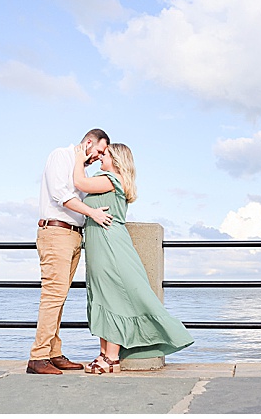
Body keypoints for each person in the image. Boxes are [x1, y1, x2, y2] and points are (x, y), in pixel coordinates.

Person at [73, 142, 194, 374]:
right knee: (101, 296)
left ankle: (112, 358)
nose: (100, 157)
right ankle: (104, 354)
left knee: (113, 297)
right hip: (100, 244)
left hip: (110, 244)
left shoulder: (111, 179)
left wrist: (80, 159)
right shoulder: (105, 179)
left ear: (116, 160)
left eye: (104, 154)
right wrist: (87, 164)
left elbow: (79, 182)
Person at [26, 129, 114, 375]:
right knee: (53, 295)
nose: (99, 156)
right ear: (88, 142)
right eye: (99, 151)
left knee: (60, 297)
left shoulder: (80, 169)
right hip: (56, 233)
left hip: (73, 235)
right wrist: (93, 213)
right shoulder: (60, 156)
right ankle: (38, 356)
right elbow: (60, 194)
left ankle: (52, 353)